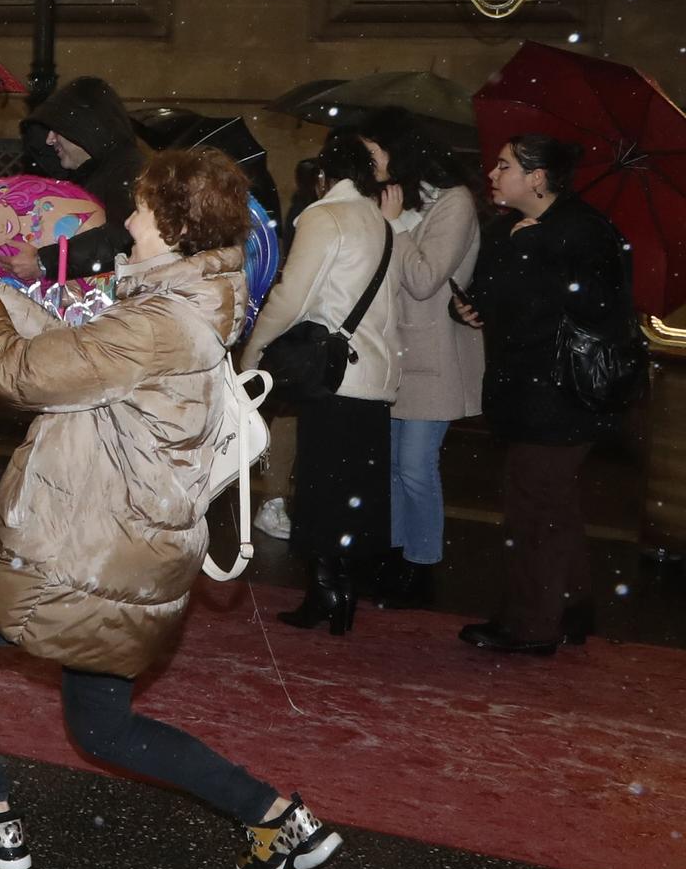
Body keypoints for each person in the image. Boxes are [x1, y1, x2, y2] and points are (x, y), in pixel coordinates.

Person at [0, 149, 342, 869]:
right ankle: (277, 817)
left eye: (142, 206)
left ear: (173, 226)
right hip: (132, 550)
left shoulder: (159, 323)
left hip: (89, 548)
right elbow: (68, 347)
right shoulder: (180, 301)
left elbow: (20, 372)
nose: (129, 216)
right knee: (103, 728)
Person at [451, 135, 633, 656]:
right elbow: (497, 295)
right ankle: (572, 607)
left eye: (505, 165)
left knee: (534, 508)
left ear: (537, 177)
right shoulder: (512, 225)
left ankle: (532, 626)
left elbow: (592, 306)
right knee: (552, 503)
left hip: (560, 394)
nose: (492, 173)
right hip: (529, 390)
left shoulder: (582, 231)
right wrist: (469, 309)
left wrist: (541, 249)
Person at [240, 128, 399, 636]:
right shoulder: (382, 223)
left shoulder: (324, 217)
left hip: (335, 375)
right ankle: (340, 587)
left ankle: (326, 592)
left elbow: (291, 298)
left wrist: (253, 352)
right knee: (353, 490)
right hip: (374, 377)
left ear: (325, 177)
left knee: (321, 485)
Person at [361, 109, 483, 610]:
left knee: (416, 466)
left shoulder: (453, 202)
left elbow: (423, 278)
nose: (371, 165)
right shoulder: (408, 201)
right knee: (391, 467)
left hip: (434, 354)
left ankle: (422, 564)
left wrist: (393, 227)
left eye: (375, 154)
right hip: (397, 353)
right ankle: (394, 558)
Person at [11, 77, 144, 282]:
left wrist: (45, 262)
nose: (49, 139)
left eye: (57, 128)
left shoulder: (127, 171)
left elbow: (121, 238)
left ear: (84, 127)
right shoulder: (93, 174)